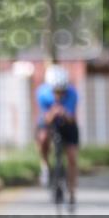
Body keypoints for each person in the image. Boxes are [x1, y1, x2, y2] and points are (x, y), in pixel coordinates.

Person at [35, 64, 80, 208]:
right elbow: (44, 118)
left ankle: (72, 192)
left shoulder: (73, 93)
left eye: (62, 91)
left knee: (72, 157)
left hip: (68, 123)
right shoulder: (42, 93)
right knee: (42, 138)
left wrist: (65, 114)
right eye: (56, 91)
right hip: (49, 121)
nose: (59, 95)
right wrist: (53, 112)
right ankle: (45, 166)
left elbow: (72, 118)